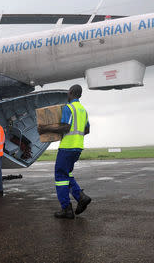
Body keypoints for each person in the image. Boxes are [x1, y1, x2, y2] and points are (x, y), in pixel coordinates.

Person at [38, 84, 91, 219]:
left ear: (71, 93)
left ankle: (66, 209)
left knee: (60, 177)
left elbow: (66, 127)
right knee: (66, 173)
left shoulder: (69, 108)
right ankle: (81, 197)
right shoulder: (83, 110)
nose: (67, 95)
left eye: (68, 92)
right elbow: (87, 130)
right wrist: (77, 137)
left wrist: (45, 130)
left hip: (67, 147)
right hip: (78, 147)